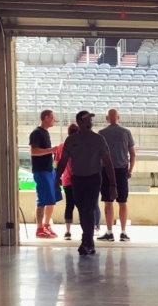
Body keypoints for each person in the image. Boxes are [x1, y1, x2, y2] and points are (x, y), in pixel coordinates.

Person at [54, 111, 117, 256]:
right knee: (82, 211)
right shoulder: (71, 141)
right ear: (79, 122)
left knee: (88, 209)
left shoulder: (98, 139)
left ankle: (85, 242)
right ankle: (89, 242)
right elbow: (63, 160)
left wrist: (113, 184)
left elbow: (108, 162)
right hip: (77, 179)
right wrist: (57, 177)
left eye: (90, 119)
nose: (90, 122)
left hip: (93, 179)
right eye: (87, 119)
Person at [55, 123, 103, 241]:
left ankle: (68, 231)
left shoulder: (61, 146)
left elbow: (58, 163)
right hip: (81, 179)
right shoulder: (84, 144)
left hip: (67, 179)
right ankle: (92, 229)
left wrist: (57, 178)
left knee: (69, 205)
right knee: (89, 206)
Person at [98, 109, 136, 242]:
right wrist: (130, 170)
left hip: (106, 170)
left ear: (107, 118)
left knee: (108, 202)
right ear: (118, 117)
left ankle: (109, 232)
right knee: (122, 202)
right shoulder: (126, 132)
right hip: (121, 170)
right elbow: (132, 154)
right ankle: (123, 232)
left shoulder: (101, 133)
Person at [29, 109, 61, 239]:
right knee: (42, 199)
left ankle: (46, 225)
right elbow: (33, 151)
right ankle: (39, 228)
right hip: (41, 171)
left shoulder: (46, 133)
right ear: (46, 118)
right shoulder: (36, 133)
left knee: (51, 199)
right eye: (53, 118)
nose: (54, 120)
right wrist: (51, 150)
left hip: (49, 170)